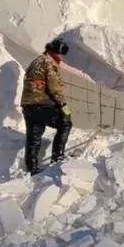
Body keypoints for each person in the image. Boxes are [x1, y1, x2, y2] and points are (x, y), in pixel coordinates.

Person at [20, 39, 73, 175]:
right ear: (56, 52)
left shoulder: (38, 61)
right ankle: (58, 157)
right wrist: (65, 107)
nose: (63, 56)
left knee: (34, 136)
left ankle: (32, 168)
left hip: (28, 106)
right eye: (62, 53)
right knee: (65, 122)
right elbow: (54, 89)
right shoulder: (48, 63)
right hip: (41, 104)